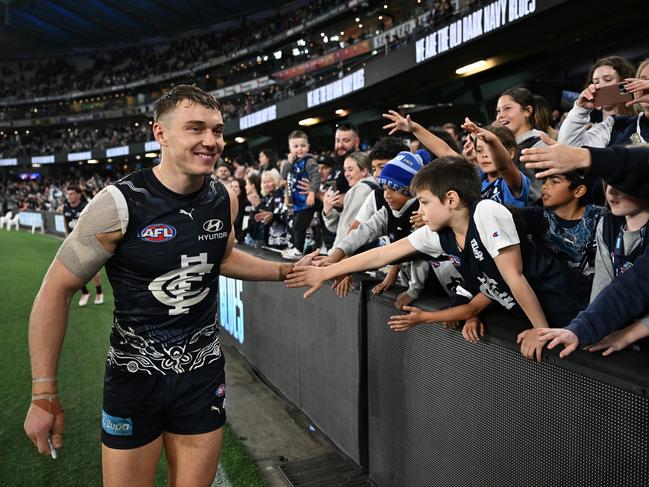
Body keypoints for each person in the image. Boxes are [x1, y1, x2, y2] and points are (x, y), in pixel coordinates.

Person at [23, 85, 316, 487]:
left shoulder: (223, 197)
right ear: (160, 133)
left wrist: (287, 270)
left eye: (217, 130)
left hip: (201, 376)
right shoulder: (118, 204)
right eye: (196, 129)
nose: (211, 141)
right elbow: (54, 290)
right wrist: (43, 393)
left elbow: (224, 255)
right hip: (134, 377)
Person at [287, 156, 589, 362]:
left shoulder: (486, 212)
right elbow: (382, 253)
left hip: (569, 307)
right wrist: (328, 270)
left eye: (425, 201)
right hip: (548, 321)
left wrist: (540, 328)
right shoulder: (439, 232)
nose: (420, 209)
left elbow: (515, 278)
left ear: (452, 200)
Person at [558, 56, 637, 147]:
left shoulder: (639, 121)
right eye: (596, 82)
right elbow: (567, 147)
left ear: (623, 81)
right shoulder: (599, 128)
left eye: (608, 79)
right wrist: (580, 110)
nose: (600, 86)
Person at [462, 120, 531, 208]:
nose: (484, 155)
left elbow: (505, 166)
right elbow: (446, 151)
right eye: (479, 151)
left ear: (510, 153)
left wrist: (493, 140)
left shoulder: (512, 181)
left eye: (491, 149)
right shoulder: (479, 181)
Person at [495, 87, 548, 202]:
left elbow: (541, 195)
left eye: (507, 108)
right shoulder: (506, 148)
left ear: (527, 111)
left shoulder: (539, 146)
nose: (501, 115)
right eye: (498, 111)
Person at [281, 130, 321, 258]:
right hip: (297, 202)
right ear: (290, 148)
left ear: (308, 146)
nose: (300, 149)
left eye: (303, 145)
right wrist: (289, 162)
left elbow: (316, 177)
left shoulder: (309, 161)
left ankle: (298, 250)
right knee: (295, 225)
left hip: (306, 201)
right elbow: (284, 177)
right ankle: (295, 247)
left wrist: (312, 193)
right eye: (295, 146)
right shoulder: (293, 162)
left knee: (299, 226)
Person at [62, 185, 103, 306]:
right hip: (73, 241)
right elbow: (65, 220)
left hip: (88, 240)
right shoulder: (66, 206)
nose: (69, 196)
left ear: (79, 194)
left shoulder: (87, 206)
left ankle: (99, 292)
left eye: (71, 194)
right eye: (67, 194)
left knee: (92, 268)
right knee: (76, 268)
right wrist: (67, 236)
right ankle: (85, 292)